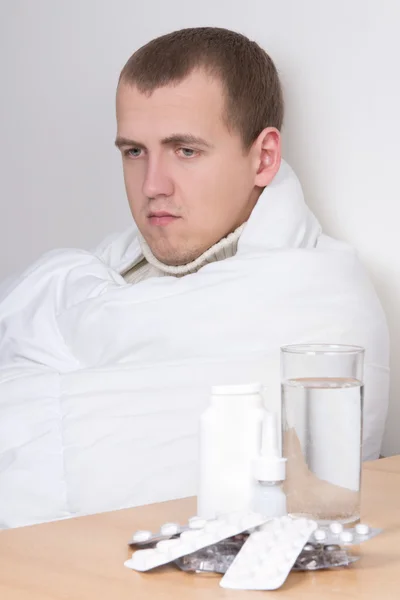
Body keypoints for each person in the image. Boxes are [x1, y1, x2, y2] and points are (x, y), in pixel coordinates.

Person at [0, 27, 389, 529]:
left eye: (185, 151)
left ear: (264, 157)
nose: (152, 186)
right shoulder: (102, 268)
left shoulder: (323, 297)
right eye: (134, 152)